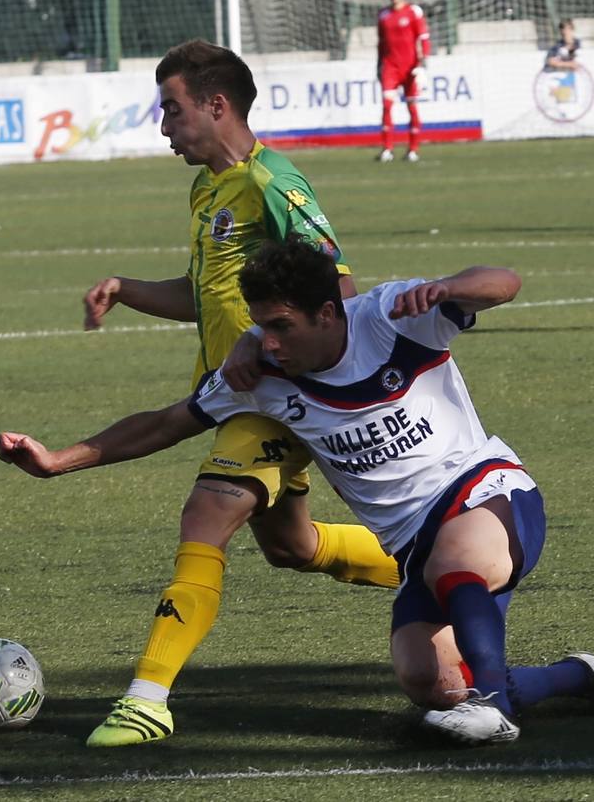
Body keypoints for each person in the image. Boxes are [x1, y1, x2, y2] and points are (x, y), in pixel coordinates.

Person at [0, 241, 594, 746]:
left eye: (281, 326)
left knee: (457, 568)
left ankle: (496, 705)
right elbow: (166, 423)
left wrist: (448, 284)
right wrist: (59, 460)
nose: (268, 340)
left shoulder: (390, 317)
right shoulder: (260, 372)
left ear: (330, 313)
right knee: (430, 685)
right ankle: (583, 676)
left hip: (487, 494)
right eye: (260, 325)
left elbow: (504, 281)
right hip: (414, 547)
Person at [78, 39, 400, 747]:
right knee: (293, 546)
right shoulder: (208, 189)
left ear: (215, 105)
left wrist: (271, 351)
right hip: (234, 395)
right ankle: (429, 560)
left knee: (206, 514)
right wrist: (128, 290)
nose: (165, 125)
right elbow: (208, 295)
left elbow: (336, 289)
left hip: (279, 392)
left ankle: (147, 698)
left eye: (173, 108)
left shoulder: (273, 184)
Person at [376, 0, 430, 163]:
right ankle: (387, 149)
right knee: (387, 105)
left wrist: (422, 64)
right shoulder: (383, 15)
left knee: (412, 107)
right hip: (390, 66)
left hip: (411, 67)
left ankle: (413, 149)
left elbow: (423, 38)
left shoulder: (414, 12)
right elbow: (381, 43)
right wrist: (379, 65)